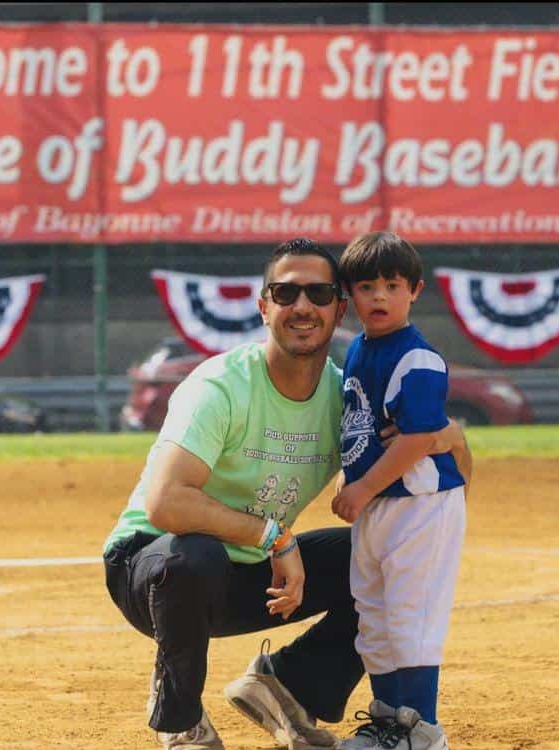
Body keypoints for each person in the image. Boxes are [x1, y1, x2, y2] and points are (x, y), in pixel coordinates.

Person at [103, 237, 470, 750]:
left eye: (319, 293)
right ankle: (180, 718)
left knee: (374, 557)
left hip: (248, 571)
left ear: (340, 308)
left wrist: (448, 434)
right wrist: (275, 537)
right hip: (152, 566)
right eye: (286, 292)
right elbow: (167, 504)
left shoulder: (343, 398)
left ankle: (287, 689)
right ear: (263, 305)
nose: (303, 306)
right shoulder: (221, 386)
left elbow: (431, 449)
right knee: (194, 556)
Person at [332, 232, 472, 750]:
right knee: (374, 619)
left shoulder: (418, 358)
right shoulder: (360, 352)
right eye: (366, 286)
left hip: (419, 507)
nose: (379, 297)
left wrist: (364, 485)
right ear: (350, 296)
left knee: (411, 617)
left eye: (392, 285)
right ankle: (390, 721)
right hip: (378, 506)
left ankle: (421, 729)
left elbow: (419, 436)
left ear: (415, 290)